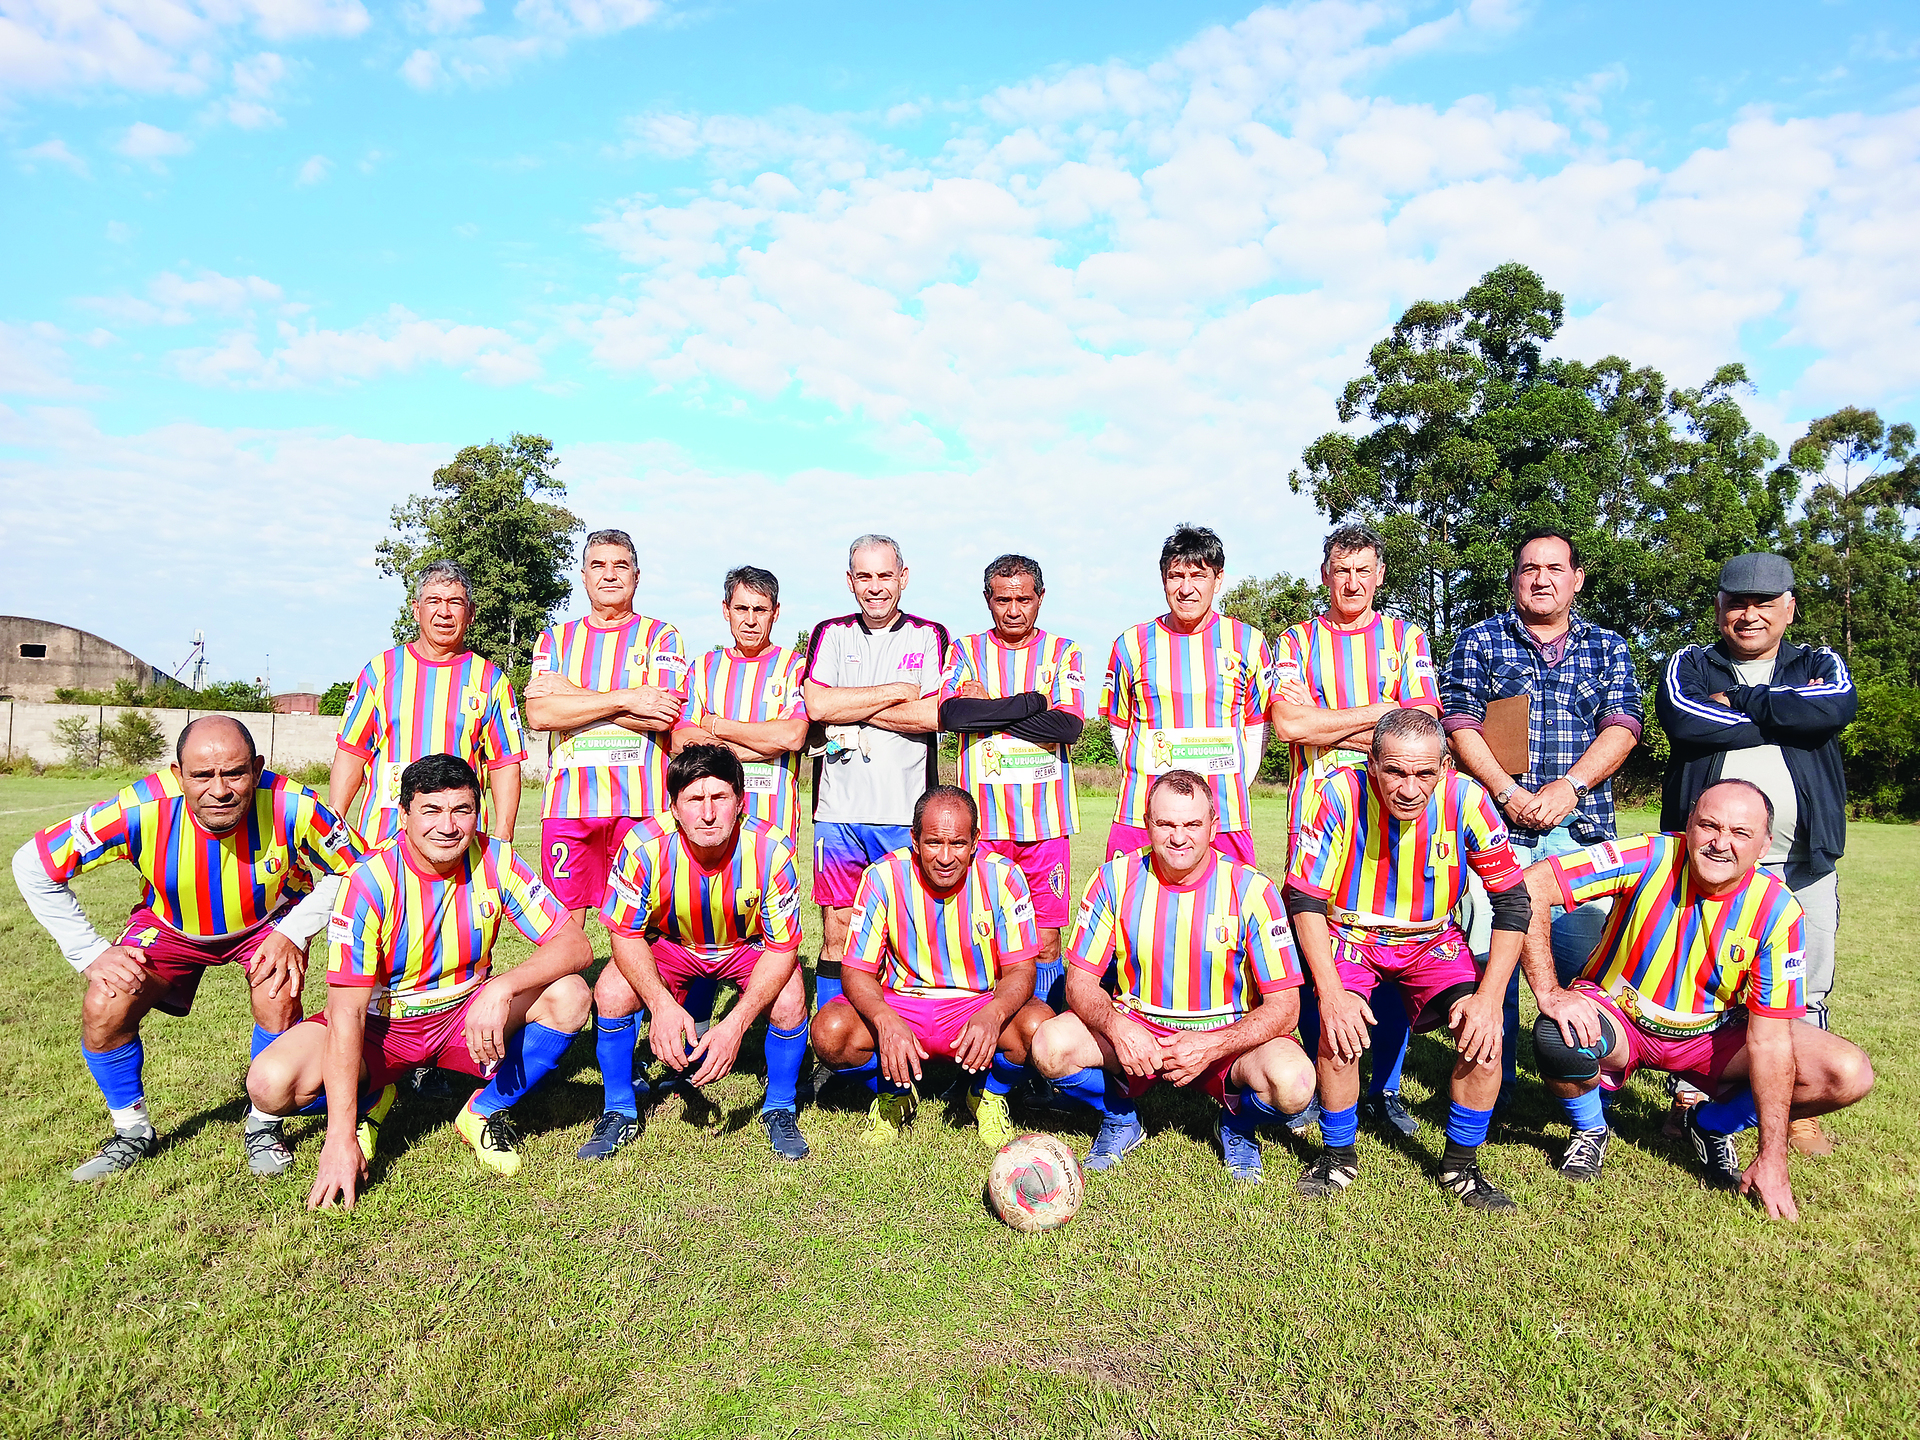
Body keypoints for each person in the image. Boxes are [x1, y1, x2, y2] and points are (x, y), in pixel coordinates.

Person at [12, 717, 360, 1181]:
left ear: (257, 768)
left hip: (267, 922)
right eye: (202, 775)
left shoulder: (295, 804)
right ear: (178, 774)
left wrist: (295, 931)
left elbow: (357, 869)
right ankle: (132, 1130)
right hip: (169, 926)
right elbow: (33, 864)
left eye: (234, 773)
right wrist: (89, 953)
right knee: (105, 1004)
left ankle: (264, 1123)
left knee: (277, 991)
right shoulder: (138, 808)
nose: (219, 790)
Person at [247, 754, 594, 1206]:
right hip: (381, 1027)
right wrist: (338, 1140)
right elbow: (347, 1013)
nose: (447, 826)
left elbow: (575, 944)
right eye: (431, 810)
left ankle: (483, 1110)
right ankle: (371, 1098)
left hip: (462, 1017)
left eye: (462, 810)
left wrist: (501, 986)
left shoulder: (496, 858)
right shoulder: (367, 882)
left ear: (478, 812)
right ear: (404, 814)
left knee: (571, 995)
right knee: (269, 1084)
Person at [1518, 779, 1874, 1218]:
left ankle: (1709, 1124)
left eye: (1740, 833)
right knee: (1557, 1034)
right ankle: (1591, 1127)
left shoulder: (1779, 911)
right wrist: (1550, 991)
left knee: (1846, 1073)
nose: (1720, 843)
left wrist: (1772, 1156)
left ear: (1764, 846)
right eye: (1709, 826)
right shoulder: (1650, 855)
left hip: (1711, 1038)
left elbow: (1770, 1040)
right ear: (1689, 825)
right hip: (1620, 1020)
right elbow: (1532, 885)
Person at [1285, 710, 1533, 1211]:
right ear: (1372, 764)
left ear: (1445, 767)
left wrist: (1489, 1000)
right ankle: (1338, 1155)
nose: (1409, 788)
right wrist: (1331, 995)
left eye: (1424, 773)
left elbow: (1513, 902)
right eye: (1395, 771)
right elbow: (1304, 899)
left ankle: (1461, 1166)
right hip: (1351, 934)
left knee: (1484, 1036)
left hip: (1431, 941)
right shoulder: (1338, 793)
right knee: (1339, 1029)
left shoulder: (1467, 798)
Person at [1656, 553, 1857, 1155]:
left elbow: (1833, 708)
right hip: (1710, 864)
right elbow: (1684, 720)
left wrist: (1743, 703)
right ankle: (1688, 1099)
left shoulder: (1819, 662)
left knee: (1803, 989)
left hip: (1803, 863)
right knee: (1697, 982)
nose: (1749, 614)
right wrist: (1788, 714)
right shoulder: (1691, 663)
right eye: (1737, 602)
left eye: (1764, 603)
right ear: (1719, 607)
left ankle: (1795, 1111)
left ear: (1789, 608)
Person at [1028, 770, 1313, 1183]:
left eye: (1192, 824)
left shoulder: (1253, 890)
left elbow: (1286, 1007)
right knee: (1049, 1047)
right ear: (1147, 823)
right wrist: (1119, 1028)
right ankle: (1120, 1116)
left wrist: (1214, 1044)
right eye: (1166, 824)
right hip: (1138, 1031)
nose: (1179, 837)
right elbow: (1079, 982)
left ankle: (1237, 1123)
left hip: (1225, 1037)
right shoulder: (1114, 879)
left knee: (1295, 1083)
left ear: (1214, 826)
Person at [1443, 528, 1642, 1101]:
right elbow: (1459, 724)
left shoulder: (1608, 647)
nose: (1542, 579)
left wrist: (1570, 787)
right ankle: (1492, 1088)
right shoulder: (1479, 641)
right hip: (1495, 830)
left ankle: (1583, 1089)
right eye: (1530, 568)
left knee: (1586, 967)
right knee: (1491, 967)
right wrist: (1506, 791)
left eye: (1555, 568)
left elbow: (1624, 726)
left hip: (1582, 829)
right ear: (1514, 579)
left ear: (1576, 579)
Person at [523, 528, 695, 1150]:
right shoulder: (555, 638)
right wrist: (626, 698)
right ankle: (556, 1046)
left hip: (640, 809)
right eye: (597, 565)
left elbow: (665, 713)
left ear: (637, 575)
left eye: (621, 565)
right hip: (569, 810)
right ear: (584, 575)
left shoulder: (663, 636)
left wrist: (578, 701)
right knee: (563, 936)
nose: (610, 574)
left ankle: (658, 1047)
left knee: (646, 932)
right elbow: (539, 714)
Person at [1268, 522, 1441, 1138]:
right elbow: (1288, 726)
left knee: (1394, 943)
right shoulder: (1295, 640)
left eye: (1363, 570)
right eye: (1341, 570)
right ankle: (1324, 1086)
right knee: (1318, 947)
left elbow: (1423, 726)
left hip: (1394, 819)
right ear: (1324, 575)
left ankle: (1385, 1088)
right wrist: (1383, 716)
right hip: (1316, 817)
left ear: (1380, 575)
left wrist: (1326, 720)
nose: (1352, 582)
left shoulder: (1404, 638)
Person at [593, 745, 811, 1162]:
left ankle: (780, 1108)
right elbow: (624, 935)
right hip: (672, 944)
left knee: (790, 998)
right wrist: (660, 1004)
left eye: (719, 798)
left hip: (745, 946)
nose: (708, 814)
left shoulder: (772, 848)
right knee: (612, 990)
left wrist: (735, 1025)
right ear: (674, 807)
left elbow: (783, 948)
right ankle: (619, 1109)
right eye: (694, 799)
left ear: (740, 802)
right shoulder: (642, 845)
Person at [808, 786, 1052, 1149]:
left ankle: (987, 1093)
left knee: (1040, 1029)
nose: (945, 857)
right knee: (829, 1032)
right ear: (915, 840)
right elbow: (856, 971)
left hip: (976, 1004)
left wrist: (994, 1014)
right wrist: (884, 1020)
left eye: (958, 843)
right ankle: (894, 1092)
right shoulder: (883, 876)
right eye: (934, 842)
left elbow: (1021, 971)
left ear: (975, 841)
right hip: (902, 1004)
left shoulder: (1004, 876)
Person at [801, 534, 950, 1011]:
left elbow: (932, 715)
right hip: (838, 811)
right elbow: (818, 706)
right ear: (850, 581)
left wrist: (851, 707)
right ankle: (833, 1034)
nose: (875, 586)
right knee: (839, 928)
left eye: (885, 575)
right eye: (864, 576)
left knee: (904, 930)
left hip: (905, 813)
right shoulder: (831, 633)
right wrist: (896, 691)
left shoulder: (928, 634)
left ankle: (900, 1028)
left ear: (903, 578)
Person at [939, 553, 1088, 1009]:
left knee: (1045, 942)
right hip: (982, 828)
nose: (1014, 610)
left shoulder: (1064, 651)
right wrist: (1032, 702)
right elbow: (953, 715)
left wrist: (989, 707)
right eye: (1003, 600)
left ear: (1040, 598)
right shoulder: (964, 650)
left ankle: (1041, 1038)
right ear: (988, 599)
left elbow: (1067, 727)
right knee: (982, 934)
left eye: (1024, 599)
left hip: (1046, 826)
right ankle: (986, 1033)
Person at [1101, 524, 1274, 866]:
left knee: (1228, 900)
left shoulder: (1249, 642)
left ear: (1218, 579)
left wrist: (1235, 782)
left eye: (1198, 576)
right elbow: (1120, 728)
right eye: (1176, 576)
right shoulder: (1131, 644)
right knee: (1133, 899)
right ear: (1163, 580)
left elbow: (1259, 728)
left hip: (1225, 816)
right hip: (1140, 815)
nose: (1186, 588)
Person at [332, 560, 526, 845]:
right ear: (416, 609)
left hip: (458, 842)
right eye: (434, 600)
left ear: (471, 613)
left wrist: (503, 835)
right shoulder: (379, 671)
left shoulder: (491, 681)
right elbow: (352, 752)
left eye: (455, 602)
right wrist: (334, 827)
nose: (444, 612)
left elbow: (504, 763)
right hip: (383, 842)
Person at [675, 566, 810, 841]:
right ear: (726, 610)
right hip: (711, 825)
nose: (750, 620)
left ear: (776, 612)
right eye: (741, 609)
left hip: (776, 825)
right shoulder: (702, 668)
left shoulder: (795, 668)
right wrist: (767, 743)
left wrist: (716, 725)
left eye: (760, 610)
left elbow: (792, 737)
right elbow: (680, 741)